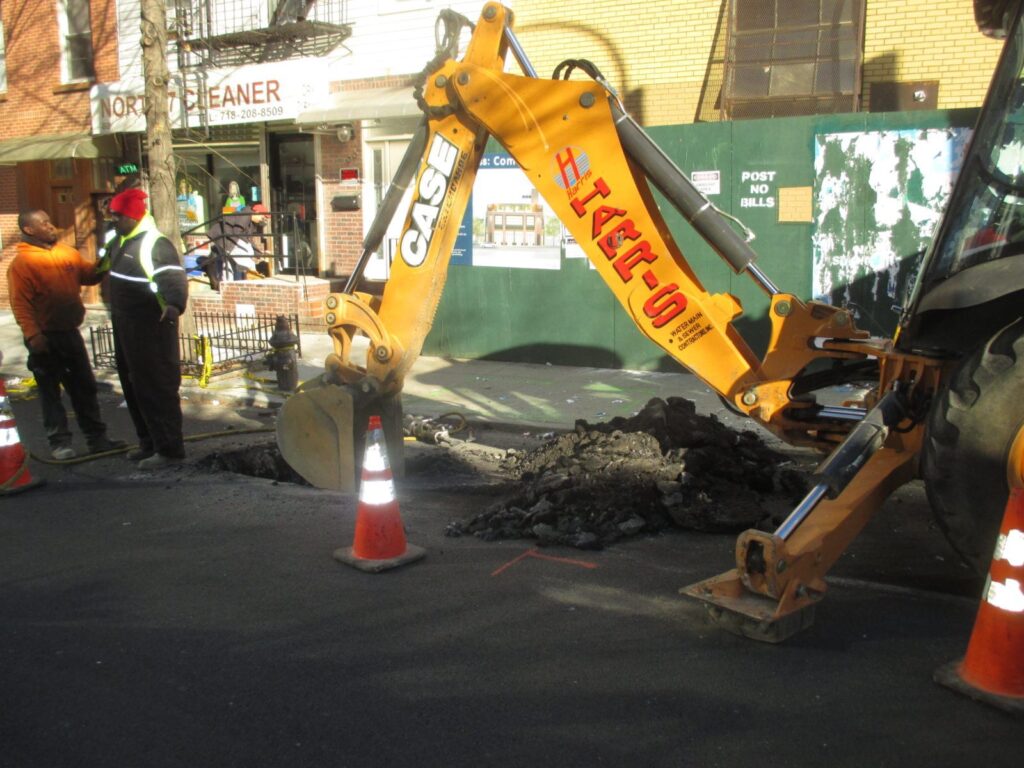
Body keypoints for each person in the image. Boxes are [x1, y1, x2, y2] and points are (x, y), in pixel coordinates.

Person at [7, 209, 126, 460]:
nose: (51, 226)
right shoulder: (22, 264)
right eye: (44, 223)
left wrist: (105, 261)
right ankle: (59, 443)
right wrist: (33, 335)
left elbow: (89, 275)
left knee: (84, 387)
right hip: (44, 336)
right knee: (51, 392)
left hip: (69, 332)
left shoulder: (66, 253)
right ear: (29, 230)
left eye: (49, 221)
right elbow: (21, 305)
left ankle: (97, 439)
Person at [100, 188, 189, 469]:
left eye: (118, 216)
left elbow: (173, 280)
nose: (113, 220)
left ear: (132, 216)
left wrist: (173, 305)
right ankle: (148, 442)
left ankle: (169, 450)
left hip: (152, 328)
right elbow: (98, 267)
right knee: (133, 386)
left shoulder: (155, 244)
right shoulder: (118, 240)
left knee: (156, 388)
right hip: (125, 326)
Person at [204, 204, 269, 283]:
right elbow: (237, 232)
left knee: (229, 261)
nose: (262, 221)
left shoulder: (250, 222)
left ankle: (227, 284)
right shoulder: (245, 216)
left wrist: (259, 253)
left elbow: (248, 239)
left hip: (223, 237)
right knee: (245, 258)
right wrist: (252, 251)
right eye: (262, 218)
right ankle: (250, 278)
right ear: (257, 212)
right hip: (223, 237)